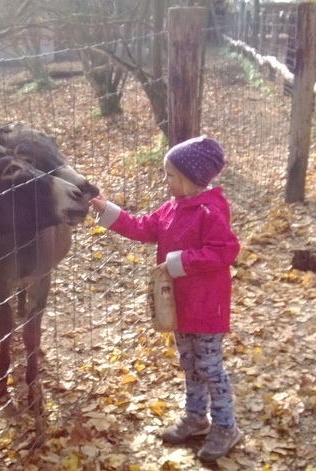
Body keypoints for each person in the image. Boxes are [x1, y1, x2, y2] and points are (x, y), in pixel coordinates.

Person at [90, 136, 242, 463]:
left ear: (191, 178)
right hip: (178, 305)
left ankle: (226, 425)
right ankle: (196, 417)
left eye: (170, 174)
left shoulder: (210, 210)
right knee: (189, 362)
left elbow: (225, 251)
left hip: (206, 306)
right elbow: (143, 227)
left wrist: (179, 262)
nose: (165, 180)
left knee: (209, 365)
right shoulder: (173, 208)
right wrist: (108, 211)